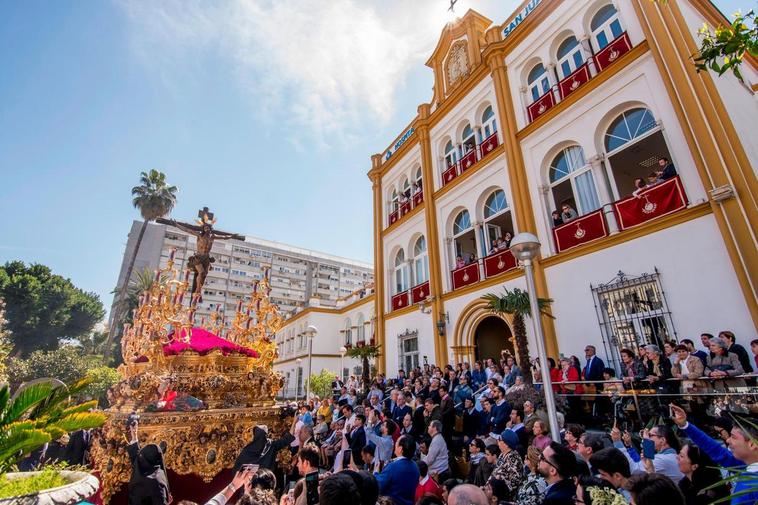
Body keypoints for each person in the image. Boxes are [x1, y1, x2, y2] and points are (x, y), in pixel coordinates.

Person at [670, 403, 758, 504]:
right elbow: (715, 450)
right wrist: (685, 425)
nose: (728, 440)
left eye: (733, 437)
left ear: (752, 444)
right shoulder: (744, 466)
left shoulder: (753, 481)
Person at [613, 424, 683, 482]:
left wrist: (617, 442)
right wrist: (629, 446)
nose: (645, 438)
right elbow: (639, 463)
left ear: (662, 440)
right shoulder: (669, 456)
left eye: (649, 435)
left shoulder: (663, 459)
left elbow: (634, 470)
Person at [126, 421, 170, 505]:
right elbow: (137, 458)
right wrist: (134, 437)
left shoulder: (153, 481)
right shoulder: (159, 473)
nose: (140, 456)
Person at [375, 435, 420, 505]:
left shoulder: (393, 466)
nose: (395, 444)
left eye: (396, 443)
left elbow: (378, 485)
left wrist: (376, 473)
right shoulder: (415, 466)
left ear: (400, 449)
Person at [488, 430, 523, 501]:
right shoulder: (502, 454)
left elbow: (514, 483)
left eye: (500, 439)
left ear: (506, 444)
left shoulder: (513, 457)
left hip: (503, 499)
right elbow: (494, 473)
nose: (497, 440)